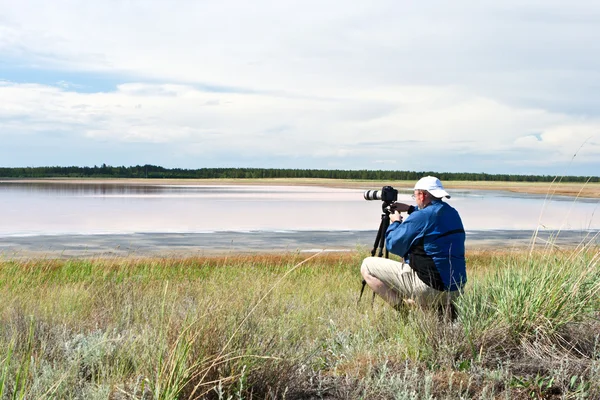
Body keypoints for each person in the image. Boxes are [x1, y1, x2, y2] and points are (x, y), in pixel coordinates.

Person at [360, 176, 466, 316]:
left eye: (415, 195)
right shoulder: (452, 213)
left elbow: (393, 244)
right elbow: (431, 216)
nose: (415, 198)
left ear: (422, 195)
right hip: (457, 289)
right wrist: (410, 209)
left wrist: (395, 222)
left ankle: (404, 311)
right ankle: (440, 310)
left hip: (432, 289)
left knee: (367, 266)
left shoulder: (422, 217)